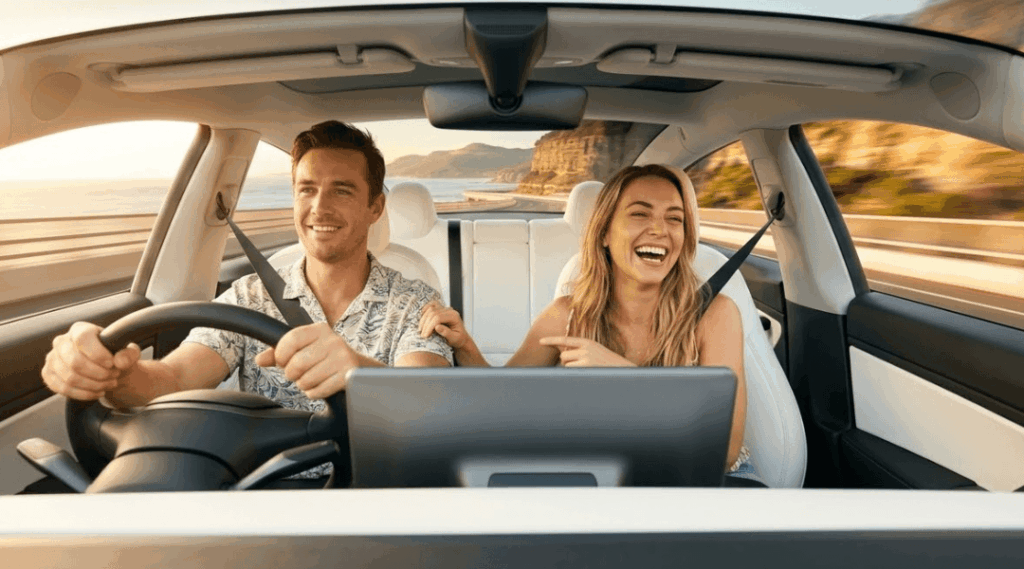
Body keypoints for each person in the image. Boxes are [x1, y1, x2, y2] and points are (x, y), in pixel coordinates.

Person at [39, 120, 453, 485]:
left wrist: (357, 370)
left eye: (341, 191)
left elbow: (428, 404)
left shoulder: (415, 302)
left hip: (370, 497)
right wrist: (109, 373)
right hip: (256, 495)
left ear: (375, 207)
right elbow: (174, 378)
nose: (319, 207)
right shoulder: (248, 297)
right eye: (306, 189)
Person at [419, 164, 756, 481]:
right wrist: (465, 345)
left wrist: (623, 376)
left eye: (675, 219)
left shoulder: (715, 315)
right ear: (605, 233)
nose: (659, 229)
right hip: (609, 482)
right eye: (640, 214)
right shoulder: (567, 316)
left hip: (705, 483)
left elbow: (723, 452)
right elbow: (502, 408)